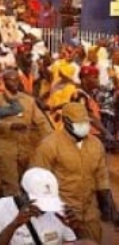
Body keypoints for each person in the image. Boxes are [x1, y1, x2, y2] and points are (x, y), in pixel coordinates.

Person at [31, 103, 117, 242]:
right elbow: (37, 182)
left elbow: (102, 179)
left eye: (85, 122)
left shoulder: (96, 145)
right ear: (65, 121)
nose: (83, 126)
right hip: (62, 214)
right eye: (78, 123)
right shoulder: (49, 145)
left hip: (90, 212)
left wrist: (111, 210)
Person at [0, 69, 52, 197]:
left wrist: (51, 140)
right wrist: (10, 126)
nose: (14, 82)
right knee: (11, 184)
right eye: (11, 80)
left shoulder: (28, 100)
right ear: (4, 82)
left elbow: (41, 122)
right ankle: (12, 211)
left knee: (26, 181)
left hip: (26, 147)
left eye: (16, 79)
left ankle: (1, 201)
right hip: (5, 147)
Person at [0, 168, 79, 245]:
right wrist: (15, 224)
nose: (43, 208)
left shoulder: (58, 211)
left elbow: (71, 242)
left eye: (48, 202)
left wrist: (74, 228)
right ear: (21, 192)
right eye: (39, 202)